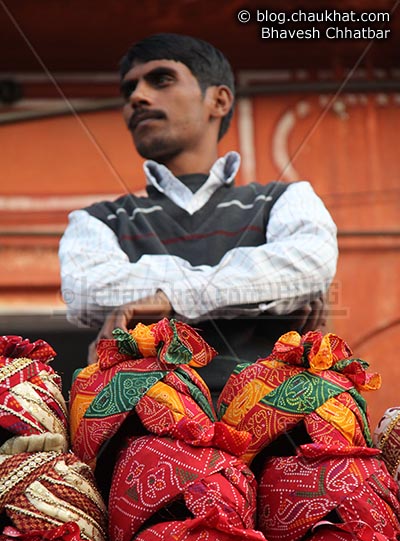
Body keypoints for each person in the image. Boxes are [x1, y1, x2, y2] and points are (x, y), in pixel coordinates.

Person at [59, 33, 338, 395]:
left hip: (272, 422)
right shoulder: (96, 219)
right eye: (129, 89)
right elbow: (86, 290)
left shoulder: (284, 198)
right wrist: (257, 288)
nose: (137, 98)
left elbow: (309, 265)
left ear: (218, 100)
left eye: (161, 80)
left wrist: (165, 299)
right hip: (144, 428)